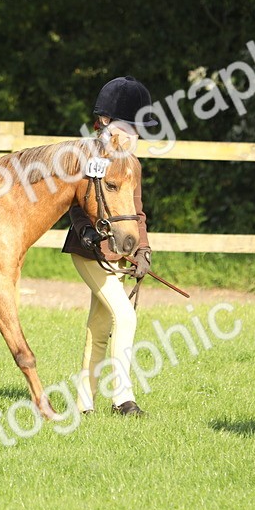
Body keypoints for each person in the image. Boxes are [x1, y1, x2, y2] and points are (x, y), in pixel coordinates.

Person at [62, 76, 155, 416]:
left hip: (118, 254)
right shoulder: (90, 159)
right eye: (127, 126)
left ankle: (84, 404)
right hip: (89, 250)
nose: (135, 134)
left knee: (99, 329)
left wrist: (142, 250)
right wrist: (86, 231)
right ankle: (123, 399)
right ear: (103, 122)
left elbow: (136, 213)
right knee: (125, 318)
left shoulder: (132, 164)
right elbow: (76, 202)